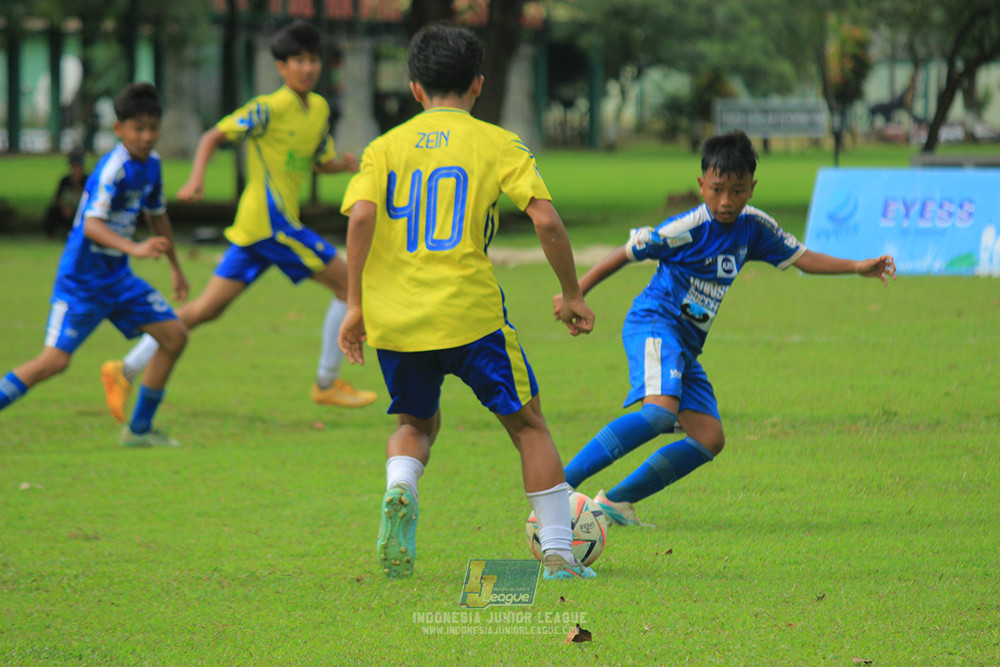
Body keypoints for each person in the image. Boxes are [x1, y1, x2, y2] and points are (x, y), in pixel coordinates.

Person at [338, 24, 597, 581]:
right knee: (528, 426)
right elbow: (546, 219)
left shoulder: (383, 148)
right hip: (470, 315)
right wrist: (573, 292)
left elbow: (360, 218)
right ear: (479, 84)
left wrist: (355, 305)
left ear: (414, 88)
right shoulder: (497, 142)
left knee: (415, 422)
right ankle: (558, 554)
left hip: (397, 319)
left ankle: (401, 485)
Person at [558, 129, 897, 526]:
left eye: (737, 191)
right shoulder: (687, 228)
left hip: (686, 345)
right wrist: (575, 294)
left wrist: (856, 266)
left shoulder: (754, 227)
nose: (726, 201)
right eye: (717, 190)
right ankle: (559, 484)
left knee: (708, 437)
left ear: (752, 188)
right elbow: (626, 253)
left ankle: (616, 502)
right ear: (702, 185)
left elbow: (802, 257)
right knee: (659, 414)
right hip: (654, 323)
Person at [100, 20, 376, 423]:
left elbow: (318, 159)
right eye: (298, 60)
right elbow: (213, 136)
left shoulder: (318, 109)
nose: (308, 67)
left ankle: (123, 369)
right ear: (281, 66)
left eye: (314, 59)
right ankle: (326, 382)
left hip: (256, 231)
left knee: (204, 310)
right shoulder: (268, 108)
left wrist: (342, 165)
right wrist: (196, 178)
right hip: (273, 224)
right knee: (350, 284)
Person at [1, 83, 189, 447]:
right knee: (53, 362)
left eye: (153, 128)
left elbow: (157, 216)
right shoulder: (112, 168)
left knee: (174, 336)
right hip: (82, 281)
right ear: (118, 129)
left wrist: (175, 267)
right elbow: (92, 226)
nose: (147, 136)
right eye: (138, 128)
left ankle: (139, 430)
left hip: (118, 279)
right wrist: (134, 248)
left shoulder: (152, 165)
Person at [43, 147, 88, 238]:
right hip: (66, 209)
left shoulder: (86, 180)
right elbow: (57, 198)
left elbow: (86, 198)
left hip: (79, 210)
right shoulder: (65, 181)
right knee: (53, 212)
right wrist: (65, 208)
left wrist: (76, 184)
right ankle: (49, 234)